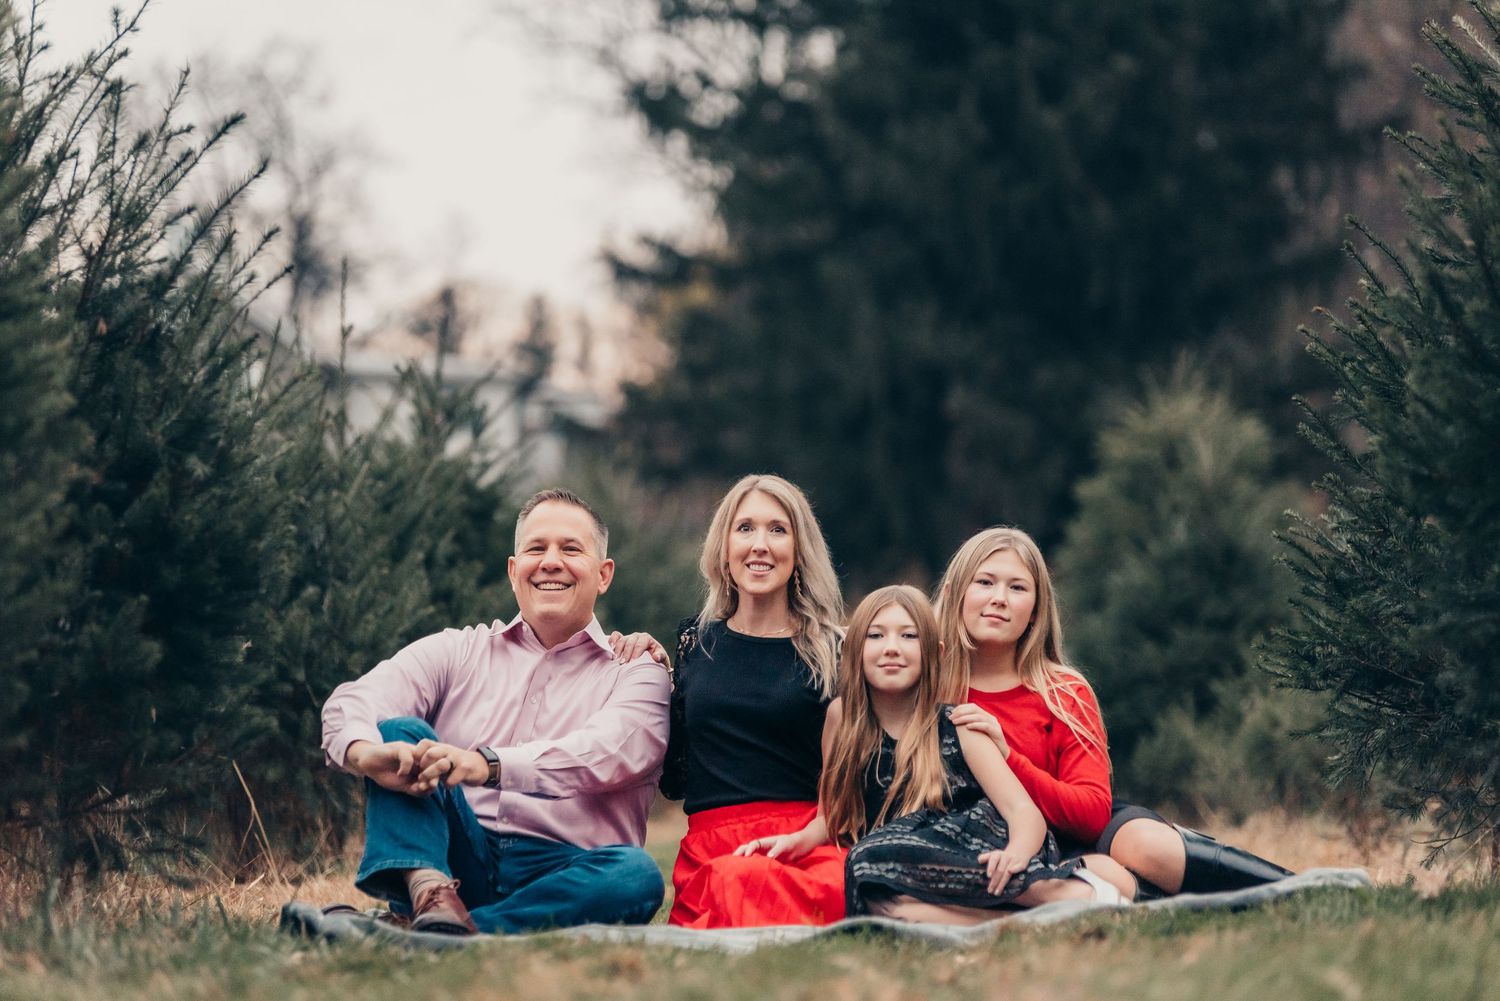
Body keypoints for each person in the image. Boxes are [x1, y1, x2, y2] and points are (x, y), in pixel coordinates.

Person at [319, 488, 670, 935]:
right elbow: (355, 699)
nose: (550, 562)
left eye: (570, 549)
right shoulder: (457, 650)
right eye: (536, 548)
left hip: (568, 870)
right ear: (513, 570)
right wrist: (364, 753)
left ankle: (436, 930)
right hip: (454, 862)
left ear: (603, 575)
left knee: (635, 875)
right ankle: (430, 895)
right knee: (398, 730)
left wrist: (486, 765)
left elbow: (604, 751)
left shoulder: (638, 671)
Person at [936, 526, 1294, 898]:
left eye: (1017, 588)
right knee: (1088, 878)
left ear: (1035, 612)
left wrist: (1008, 757)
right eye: (985, 582)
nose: (999, 599)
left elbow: (1092, 814)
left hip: (1078, 834)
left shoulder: (1063, 693)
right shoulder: (927, 688)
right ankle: (1166, 906)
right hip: (991, 844)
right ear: (954, 594)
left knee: (1147, 845)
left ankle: (1298, 889)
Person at [747, 585, 1129, 924]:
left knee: (867, 860)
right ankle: (1015, 923)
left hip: (985, 845)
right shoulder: (840, 719)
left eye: (909, 635)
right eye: (876, 635)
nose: (891, 647)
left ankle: (1059, 894)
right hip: (908, 862)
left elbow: (1022, 812)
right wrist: (797, 841)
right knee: (875, 896)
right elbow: (832, 814)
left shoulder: (959, 724)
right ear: (853, 650)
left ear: (935, 653)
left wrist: (1016, 853)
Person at [652, 474, 848, 927]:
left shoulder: (834, 649)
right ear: (724, 548)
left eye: (778, 529)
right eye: (745, 528)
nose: (760, 544)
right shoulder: (694, 643)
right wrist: (647, 660)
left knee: (848, 884)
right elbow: (676, 773)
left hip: (808, 841)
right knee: (734, 879)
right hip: (716, 848)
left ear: (799, 550)